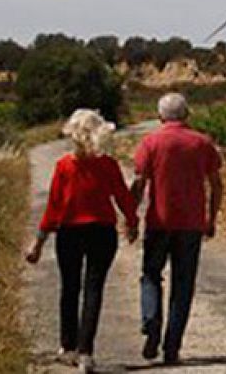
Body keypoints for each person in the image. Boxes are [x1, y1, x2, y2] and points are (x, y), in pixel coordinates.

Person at [25, 109, 139, 374]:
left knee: (70, 287)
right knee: (93, 289)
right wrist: (132, 222)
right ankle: (86, 353)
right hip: (102, 231)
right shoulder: (108, 164)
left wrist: (39, 242)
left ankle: (68, 347)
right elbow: (123, 197)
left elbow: (53, 208)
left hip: (70, 231)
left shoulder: (64, 166)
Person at [131, 92, 223, 365]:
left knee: (150, 275)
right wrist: (211, 218)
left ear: (160, 116)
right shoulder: (202, 143)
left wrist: (131, 217)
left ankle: (151, 321)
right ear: (187, 114)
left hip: (159, 221)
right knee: (183, 285)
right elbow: (216, 184)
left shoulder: (150, 142)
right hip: (191, 224)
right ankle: (172, 347)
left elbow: (139, 183)